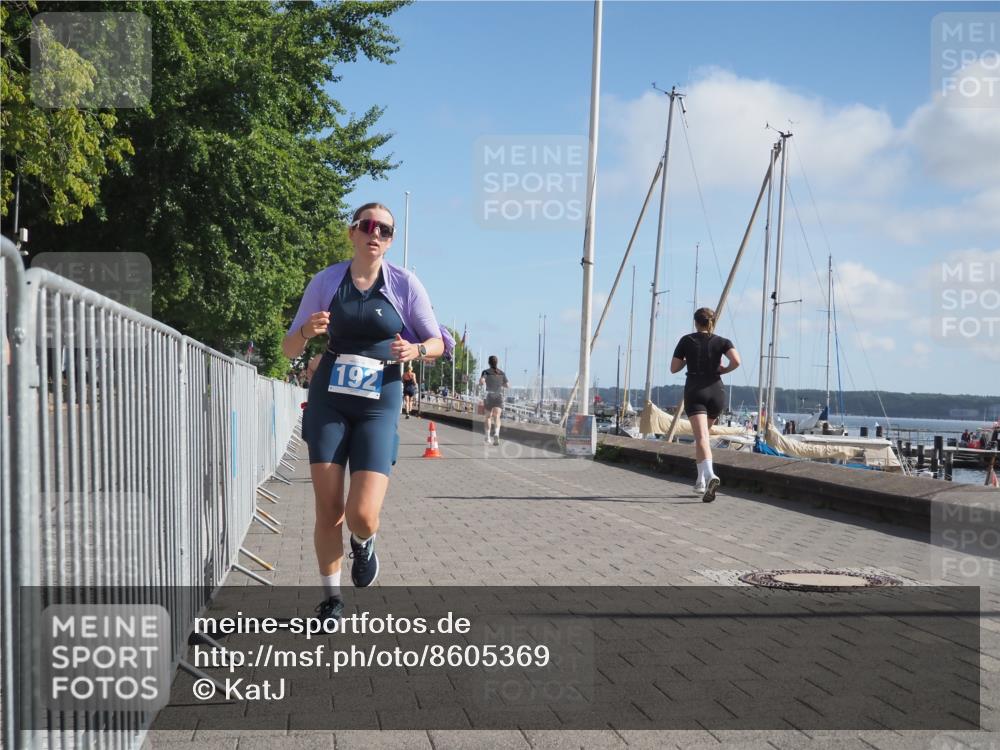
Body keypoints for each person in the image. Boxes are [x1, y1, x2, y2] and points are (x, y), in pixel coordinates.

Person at [282, 202, 445, 622]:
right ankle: (332, 598)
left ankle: (364, 542)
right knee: (329, 509)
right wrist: (306, 331)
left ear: (390, 240)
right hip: (329, 399)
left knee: (362, 514)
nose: (376, 234)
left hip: (379, 401)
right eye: (368, 226)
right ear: (352, 232)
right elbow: (289, 347)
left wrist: (416, 349)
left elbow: (437, 343)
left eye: (385, 230)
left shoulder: (405, 284)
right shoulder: (326, 281)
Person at [670, 307, 741, 503]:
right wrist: (723, 370)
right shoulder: (723, 341)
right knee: (703, 437)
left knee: (701, 437)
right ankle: (700, 481)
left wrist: (687, 360)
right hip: (717, 392)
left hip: (696, 391)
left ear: (695, 322)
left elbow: (674, 368)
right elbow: (736, 361)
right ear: (712, 322)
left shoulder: (687, 340)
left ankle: (710, 475)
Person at [478, 355, 509, 445]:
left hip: (490, 396)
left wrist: (481, 382)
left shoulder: (486, 372)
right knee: (497, 416)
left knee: (488, 417)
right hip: (498, 396)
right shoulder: (502, 373)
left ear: (489, 362)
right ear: (497, 362)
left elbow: (482, 381)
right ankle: (496, 433)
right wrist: (499, 384)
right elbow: (507, 385)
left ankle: (488, 437)